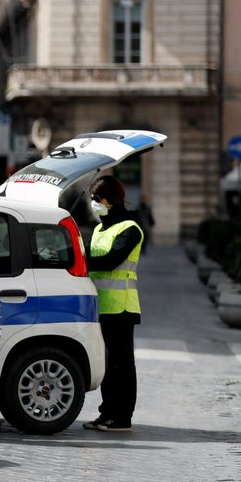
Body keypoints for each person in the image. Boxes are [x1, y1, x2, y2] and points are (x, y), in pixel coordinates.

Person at [83, 175, 143, 433]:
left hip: (122, 307)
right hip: (100, 306)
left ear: (112, 199)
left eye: (98, 198)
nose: (94, 203)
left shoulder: (130, 228)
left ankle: (122, 417)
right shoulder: (98, 229)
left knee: (122, 364)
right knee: (107, 364)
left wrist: (80, 261)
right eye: (91, 199)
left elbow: (110, 261)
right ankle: (107, 413)